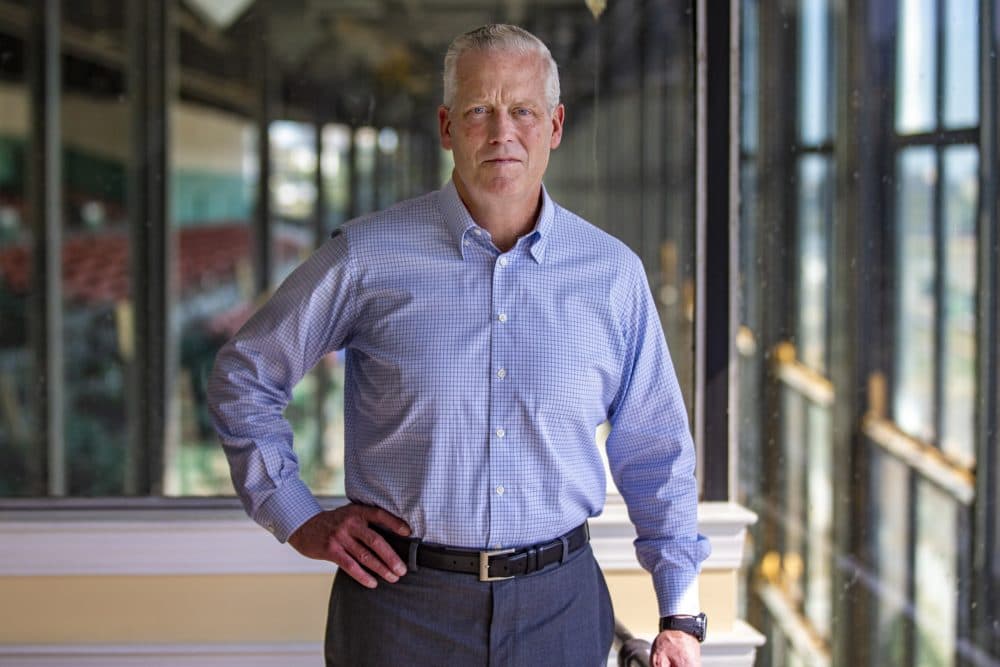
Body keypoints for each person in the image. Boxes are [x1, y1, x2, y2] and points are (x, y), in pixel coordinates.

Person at [208, 23, 710, 667]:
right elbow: (245, 377)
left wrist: (680, 615)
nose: (503, 132)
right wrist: (296, 514)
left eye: (523, 110)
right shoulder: (367, 257)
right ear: (447, 127)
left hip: (561, 608)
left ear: (555, 126)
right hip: (399, 609)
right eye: (480, 110)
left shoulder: (612, 275)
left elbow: (656, 451)